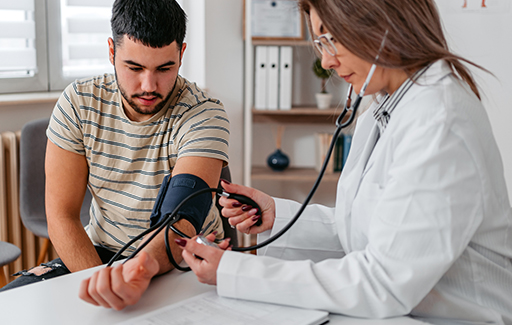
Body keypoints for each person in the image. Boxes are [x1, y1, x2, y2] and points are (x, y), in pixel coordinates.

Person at [177, 0, 512, 323]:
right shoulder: (382, 108)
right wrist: (278, 216)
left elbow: (383, 282)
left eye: (330, 39)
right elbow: (361, 231)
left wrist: (235, 271)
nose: (326, 62)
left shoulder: (440, 121)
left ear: (381, 22)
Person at [0, 0, 230, 308]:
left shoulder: (204, 113)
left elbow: (181, 221)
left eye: (165, 68)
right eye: (134, 67)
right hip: (102, 252)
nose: (149, 86)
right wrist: (103, 281)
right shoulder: (78, 104)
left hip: (186, 259)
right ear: (111, 51)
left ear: (181, 54)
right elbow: (62, 215)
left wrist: (137, 270)